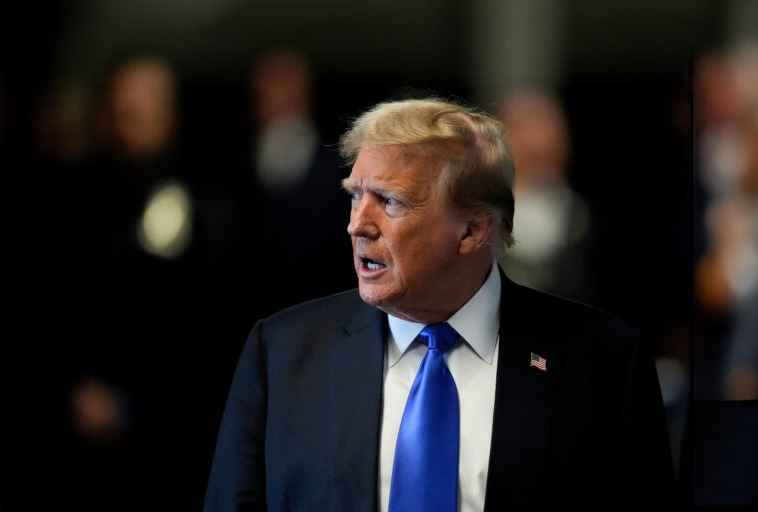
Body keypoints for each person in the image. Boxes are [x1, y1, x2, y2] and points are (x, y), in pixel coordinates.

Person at [204, 98, 676, 511]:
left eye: (389, 201)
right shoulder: (283, 353)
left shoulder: (605, 361)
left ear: (472, 230)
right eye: (355, 196)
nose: (357, 225)